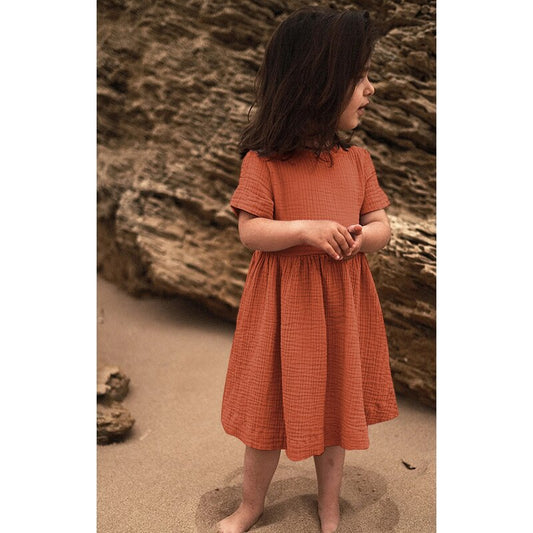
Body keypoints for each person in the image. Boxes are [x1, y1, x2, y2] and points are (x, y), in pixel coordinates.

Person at [218, 6, 399, 533]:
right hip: (281, 311)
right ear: (317, 84)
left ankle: (329, 506)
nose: (370, 89)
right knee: (267, 408)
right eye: (359, 77)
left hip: (340, 307)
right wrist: (304, 230)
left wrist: (364, 238)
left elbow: (382, 226)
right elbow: (250, 230)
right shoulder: (264, 162)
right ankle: (250, 505)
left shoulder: (357, 161)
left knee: (335, 407)